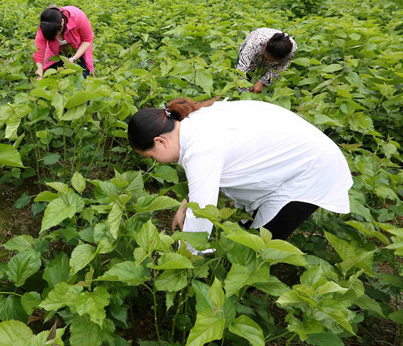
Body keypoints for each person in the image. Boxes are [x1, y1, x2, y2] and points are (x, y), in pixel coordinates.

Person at [127, 97, 352, 253]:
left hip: (312, 170)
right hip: (296, 159)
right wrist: (185, 206)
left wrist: (184, 260)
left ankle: (243, 292)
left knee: (257, 248)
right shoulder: (189, 123)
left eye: (152, 156)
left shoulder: (201, 146)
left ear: (160, 141)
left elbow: (203, 214)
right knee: (248, 232)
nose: (155, 162)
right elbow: (202, 181)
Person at [34, 5, 95, 79]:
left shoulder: (78, 17)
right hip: (56, 52)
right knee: (53, 78)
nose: (56, 36)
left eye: (57, 32)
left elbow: (87, 40)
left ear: (62, 22)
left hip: (79, 49)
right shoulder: (44, 28)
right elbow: (38, 57)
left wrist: (74, 58)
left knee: (81, 77)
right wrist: (39, 78)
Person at [236, 28, 296, 93]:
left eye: (274, 61)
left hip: (272, 50)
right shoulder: (254, 43)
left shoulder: (290, 51)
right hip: (257, 41)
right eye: (268, 59)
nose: (270, 61)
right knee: (248, 70)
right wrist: (244, 91)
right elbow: (241, 68)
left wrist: (261, 82)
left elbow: (280, 67)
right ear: (265, 46)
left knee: (267, 78)